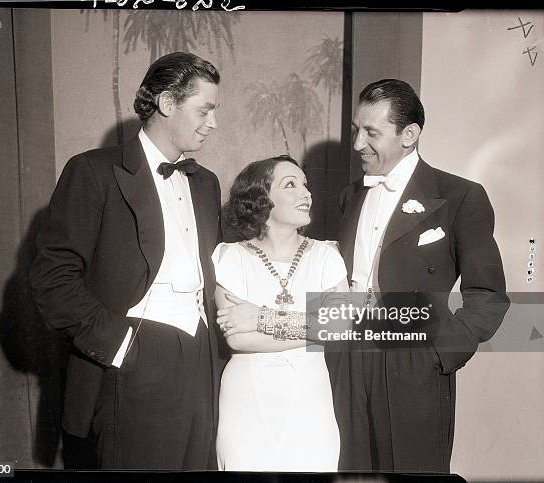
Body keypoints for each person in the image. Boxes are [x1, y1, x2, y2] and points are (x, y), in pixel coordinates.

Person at [29, 52, 223, 469]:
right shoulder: (93, 171)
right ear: (168, 103)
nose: (213, 123)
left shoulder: (206, 184)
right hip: (133, 361)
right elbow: (52, 278)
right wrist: (120, 344)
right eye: (204, 110)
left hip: (201, 360)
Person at [337, 79, 510, 472]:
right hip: (346, 358)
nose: (357, 143)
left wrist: (438, 354)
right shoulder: (350, 196)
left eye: (371, 133)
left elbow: (488, 294)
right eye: (356, 130)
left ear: (409, 135)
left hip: (412, 363)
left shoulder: (459, 196)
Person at [212, 155, 350, 471]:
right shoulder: (229, 257)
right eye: (291, 185)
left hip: (310, 394)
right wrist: (315, 330)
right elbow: (239, 339)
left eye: (305, 184)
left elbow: (339, 328)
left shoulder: (326, 257)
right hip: (247, 397)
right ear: (262, 199)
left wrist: (260, 317)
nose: (306, 193)